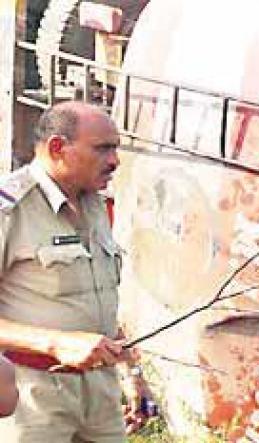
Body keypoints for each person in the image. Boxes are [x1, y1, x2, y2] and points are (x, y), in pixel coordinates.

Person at [0, 102, 150, 441]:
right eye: (102, 149)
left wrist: (132, 372)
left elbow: (98, 297)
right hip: (30, 396)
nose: (115, 161)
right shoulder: (10, 208)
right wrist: (55, 343)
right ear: (57, 148)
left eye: (115, 148)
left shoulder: (98, 206)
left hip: (100, 394)